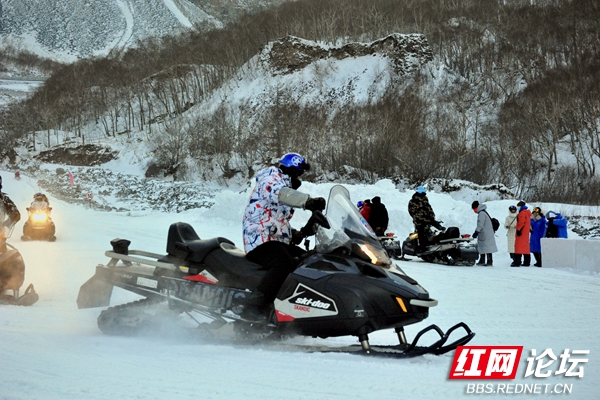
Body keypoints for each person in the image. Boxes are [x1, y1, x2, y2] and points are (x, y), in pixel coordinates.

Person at [241, 153, 326, 321]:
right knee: (283, 263)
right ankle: (252, 308)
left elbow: (277, 219)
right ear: (292, 171)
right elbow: (279, 194)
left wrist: (299, 233)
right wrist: (308, 202)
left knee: (306, 260)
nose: (300, 179)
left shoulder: (284, 184)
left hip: (274, 239)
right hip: (259, 238)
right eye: (299, 174)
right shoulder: (270, 177)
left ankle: (291, 308)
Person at [408, 186, 443, 253]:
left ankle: (439, 240)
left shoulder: (424, 199)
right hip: (420, 221)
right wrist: (419, 218)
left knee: (437, 228)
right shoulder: (413, 201)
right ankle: (422, 248)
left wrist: (432, 216)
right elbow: (412, 211)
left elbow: (429, 208)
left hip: (428, 219)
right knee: (421, 233)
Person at [471, 201, 498, 266]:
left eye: (474, 209)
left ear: (476, 207)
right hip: (485, 233)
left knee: (487, 247)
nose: (474, 211)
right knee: (482, 246)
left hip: (486, 234)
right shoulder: (483, 212)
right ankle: (482, 260)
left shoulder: (481, 214)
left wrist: (476, 232)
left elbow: (480, 224)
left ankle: (489, 261)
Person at [512, 201, 532, 267]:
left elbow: (521, 222)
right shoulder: (527, 213)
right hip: (526, 233)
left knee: (518, 247)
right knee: (525, 247)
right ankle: (527, 262)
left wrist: (518, 230)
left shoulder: (522, 213)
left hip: (521, 233)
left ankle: (517, 262)